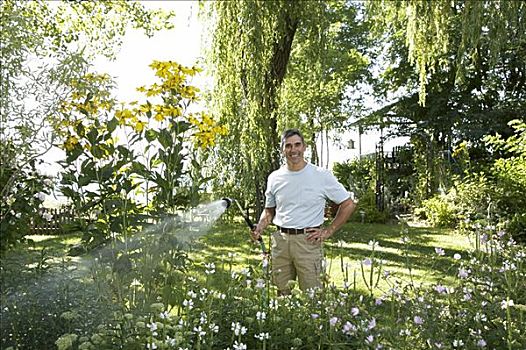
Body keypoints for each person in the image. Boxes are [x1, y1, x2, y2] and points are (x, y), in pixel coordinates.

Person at [251, 128, 356, 295]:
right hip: (281, 242)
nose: (293, 150)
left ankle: (313, 321)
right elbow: (269, 210)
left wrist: (328, 231)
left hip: (308, 242)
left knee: (313, 296)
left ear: (304, 147)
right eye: (288, 146)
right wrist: (260, 226)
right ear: (282, 149)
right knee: (282, 293)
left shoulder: (321, 175)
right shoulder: (274, 178)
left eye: (297, 145)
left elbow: (348, 204)